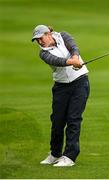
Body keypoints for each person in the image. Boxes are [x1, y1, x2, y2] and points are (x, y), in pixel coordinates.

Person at [32, 25, 90, 167]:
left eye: (41, 38)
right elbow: (57, 61)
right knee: (57, 121)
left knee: (73, 119)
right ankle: (55, 153)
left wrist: (76, 57)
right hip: (61, 87)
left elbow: (73, 47)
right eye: (37, 40)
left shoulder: (63, 35)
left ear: (48, 34)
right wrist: (72, 62)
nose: (40, 42)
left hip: (80, 83)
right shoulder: (43, 53)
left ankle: (69, 156)